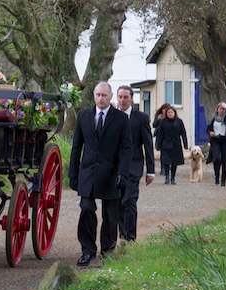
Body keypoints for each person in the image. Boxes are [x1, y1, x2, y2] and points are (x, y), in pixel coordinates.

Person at [68, 82, 132, 267]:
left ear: (111, 96)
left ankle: (107, 252)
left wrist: (123, 174)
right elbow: (76, 147)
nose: (101, 98)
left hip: (111, 174)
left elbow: (127, 149)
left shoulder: (121, 119)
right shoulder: (83, 116)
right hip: (88, 173)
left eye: (104, 95)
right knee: (87, 210)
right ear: (94, 96)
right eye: (98, 95)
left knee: (110, 216)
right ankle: (88, 251)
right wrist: (73, 174)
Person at [115, 86, 155, 242]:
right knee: (117, 201)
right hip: (116, 167)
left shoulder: (141, 118)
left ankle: (130, 238)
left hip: (133, 166)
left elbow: (148, 145)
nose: (122, 100)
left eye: (125, 97)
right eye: (120, 97)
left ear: (132, 99)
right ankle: (121, 233)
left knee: (129, 199)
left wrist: (150, 171)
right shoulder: (112, 116)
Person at [206, 102, 226, 186]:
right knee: (217, 158)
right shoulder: (213, 118)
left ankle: (223, 180)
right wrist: (210, 133)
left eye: (223, 109)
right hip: (215, 140)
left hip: (225, 141)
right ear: (217, 109)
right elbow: (208, 129)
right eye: (220, 108)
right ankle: (216, 176)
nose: (222, 110)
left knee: (224, 160)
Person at [156, 107, 188, 185]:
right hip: (166, 143)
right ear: (166, 114)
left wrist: (185, 144)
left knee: (174, 162)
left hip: (176, 143)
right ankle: (167, 176)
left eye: (171, 112)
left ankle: (173, 178)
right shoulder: (163, 122)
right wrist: (158, 145)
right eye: (168, 112)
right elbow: (160, 134)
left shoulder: (179, 121)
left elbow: (183, 133)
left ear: (174, 113)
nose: (170, 114)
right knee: (166, 161)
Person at [152, 103, 172, 176]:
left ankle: (168, 165)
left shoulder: (170, 116)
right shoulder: (158, 116)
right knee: (163, 153)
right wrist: (158, 119)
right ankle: (162, 167)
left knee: (169, 152)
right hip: (160, 136)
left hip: (168, 136)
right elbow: (154, 125)